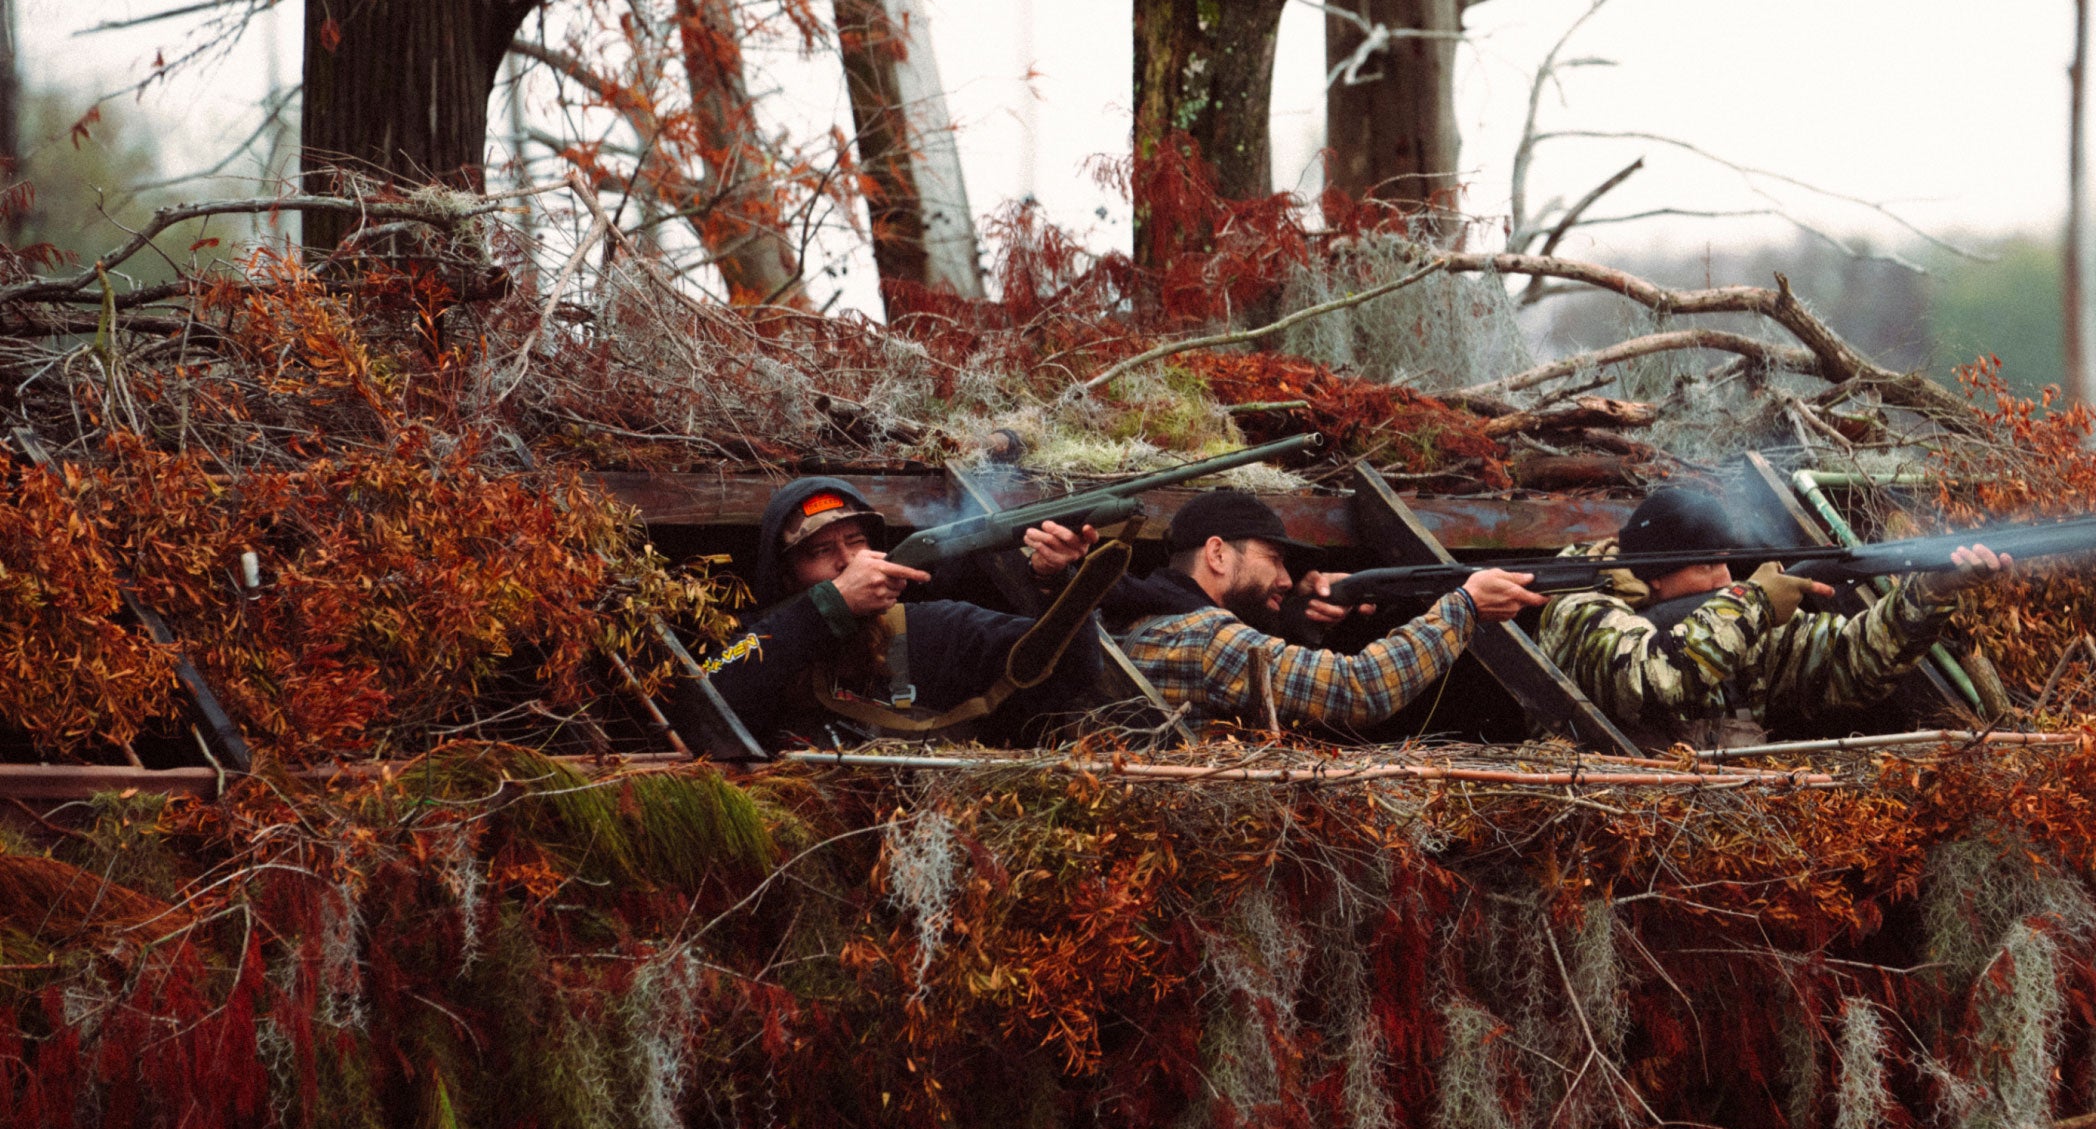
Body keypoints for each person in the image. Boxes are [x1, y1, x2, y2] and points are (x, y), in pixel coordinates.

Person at [1532, 484, 2011, 749]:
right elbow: (1650, 677)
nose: (1724, 579)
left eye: (1725, 561)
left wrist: (1931, 590)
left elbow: (1849, 665)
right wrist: (1756, 603)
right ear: (1656, 576)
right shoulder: (1578, 607)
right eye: (1707, 565)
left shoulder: (1730, 620)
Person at [673, 478, 1111, 753]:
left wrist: (1058, 581)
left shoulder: (937, 628)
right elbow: (699, 705)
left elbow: (1070, 671)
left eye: (856, 542)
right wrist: (829, 607)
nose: (847, 561)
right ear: (786, 577)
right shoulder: (755, 639)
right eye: (821, 551)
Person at [1105, 488, 1547, 736]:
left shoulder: (1147, 621)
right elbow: (1360, 688)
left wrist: (1293, 615)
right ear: (1217, 554)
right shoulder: (1205, 640)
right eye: (1273, 559)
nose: (1283, 577)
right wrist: (1464, 607)